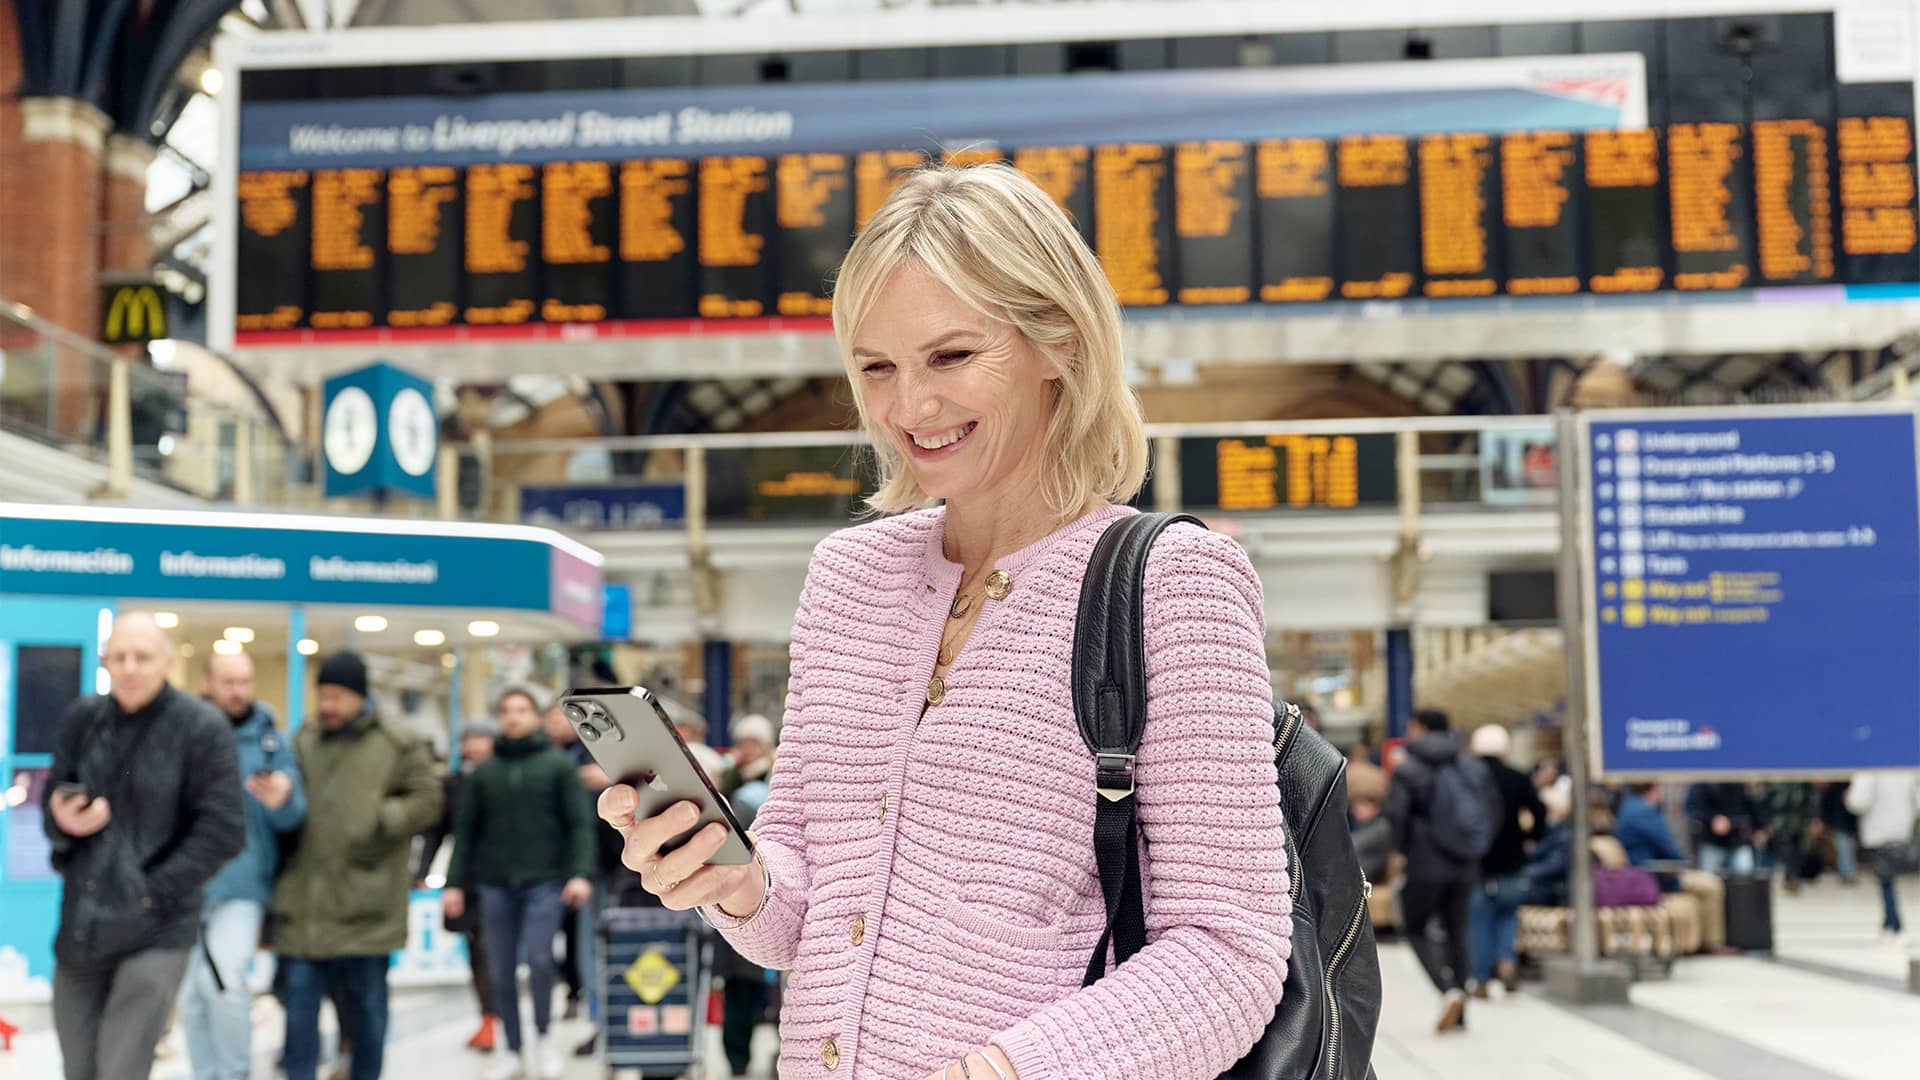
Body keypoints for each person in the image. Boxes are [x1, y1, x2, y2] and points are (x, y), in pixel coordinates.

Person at [597, 163, 1291, 1080]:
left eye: (952, 356)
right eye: (876, 368)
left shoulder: (1175, 584)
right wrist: (734, 881)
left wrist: (999, 1071)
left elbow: (1230, 956)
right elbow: (801, 914)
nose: (908, 407)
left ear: (1059, 344)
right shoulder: (847, 578)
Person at [43, 612, 245, 1080]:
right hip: (81, 928)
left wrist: (149, 891)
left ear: (168, 662)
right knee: (79, 1068)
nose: (129, 667)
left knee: (120, 1068)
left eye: (142, 656)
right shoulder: (84, 719)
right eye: (118, 657)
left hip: (157, 930)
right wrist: (63, 822)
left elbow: (223, 829)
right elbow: (53, 804)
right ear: (105, 663)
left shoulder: (202, 727)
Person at [272, 652, 442, 1080]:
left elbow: (428, 800)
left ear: (359, 696)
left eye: (337, 696)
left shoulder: (397, 742)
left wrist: (380, 818)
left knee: (367, 1008)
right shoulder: (305, 741)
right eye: (323, 695)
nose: (327, 705)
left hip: (366, 900)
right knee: (298, 1008)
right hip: (308, 903)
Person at [443, 686, 595, 1080]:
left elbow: (579, 823)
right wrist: (454, 883)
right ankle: (512, 1047)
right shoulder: (485, 774)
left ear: (536, 716)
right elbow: (465, 834)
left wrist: (580, 872)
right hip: (494, 884)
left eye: (522, 710)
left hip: (545, 882)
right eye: (507, 710)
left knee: (541, 960)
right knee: (500, 967)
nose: (513, 717)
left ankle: (544, 1036)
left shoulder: (558, 767)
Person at [179, 651, 306, 1080]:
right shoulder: (183, 732)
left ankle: (234, 1074)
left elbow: (294, 816)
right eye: (229, 682)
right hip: (185, 884)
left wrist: (283, 800)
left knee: (225, 981)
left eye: (245, 681)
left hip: (243, 881)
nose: (239, 691)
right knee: (191, 994)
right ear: (207, 683)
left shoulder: (269, 741)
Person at [1386, 708, 1492, 1033]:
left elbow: (1396, 817)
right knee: (1457, 931)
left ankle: (1448, 992)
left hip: (1425, 863)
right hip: (1465, 863)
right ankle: (1461, 1010)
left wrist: (1399, 854)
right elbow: (1492, 811)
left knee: (1415, 927)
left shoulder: (1409, 770)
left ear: (1419, 728)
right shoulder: (1472, 767)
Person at [417, 720, 500, 1053]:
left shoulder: (506, 777)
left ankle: (503, 1020)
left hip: (504, 876)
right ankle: (488, 1018)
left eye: (481, 738)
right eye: (469, 739)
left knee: (495, 950)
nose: (475, 745)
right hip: (465, 877)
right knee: (477, 950)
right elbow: (438, 830)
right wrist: (423, 870)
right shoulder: (452, 784)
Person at [1467, 724, 1541, 997]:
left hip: (1476, 860)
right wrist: (1530, 836)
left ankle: (1481, 978)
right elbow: (1539, 811)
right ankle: (1507, 959)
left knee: (1478, 919)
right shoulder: (1518, 778)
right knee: (1508, 913)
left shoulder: (1468, 779)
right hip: (1512, 859)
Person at [1613, 783, 1728, 952]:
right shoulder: (1643, 812)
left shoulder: (1628, 807)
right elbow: (1664, 843)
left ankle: (1700, 941)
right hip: (1653, 876)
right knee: (1711, 885)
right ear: (1653, 789)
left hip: (1643, 873)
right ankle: (1711, 944)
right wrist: (1682, 863)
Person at [1845, 771, 1920, 939]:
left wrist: (1848, 798)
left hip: (1878, 833)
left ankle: (1894, 924)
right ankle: (1888, 922)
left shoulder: (1869, 770)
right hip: (1901, 831)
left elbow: (1858, 802)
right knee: (1887, 880)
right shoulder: (1906, 769)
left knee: (1885, 881)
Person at [1686, 782, 1763, 875]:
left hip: (1737, 841)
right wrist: (1712, 820)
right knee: (1707, 877)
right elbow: (1693, 809)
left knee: (1744, 874)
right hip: (1711, 841)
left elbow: (1752, 809)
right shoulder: (1704, 783)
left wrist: (1758, 828)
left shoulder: (1742, 783)